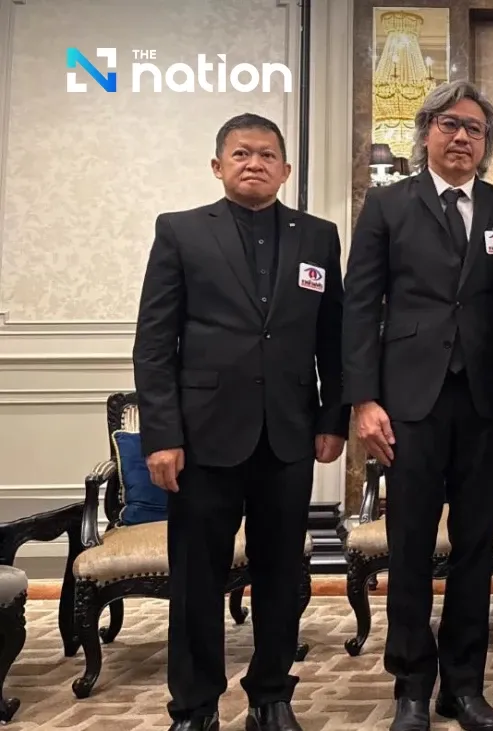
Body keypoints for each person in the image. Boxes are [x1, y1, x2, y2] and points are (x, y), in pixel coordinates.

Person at [132, 113, 349, 731]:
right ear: (217, 165)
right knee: (196, 579)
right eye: (241, 153)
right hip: (202, 438)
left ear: (285, 169)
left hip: (288, 434)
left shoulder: (318, 237)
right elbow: (155, 342)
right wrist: (162, 436)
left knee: (283, 573)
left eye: (267, 155)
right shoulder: (180, 231)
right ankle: (194, 706)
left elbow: (333, 337)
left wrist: (332, 417)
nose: (255, 163)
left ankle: (271, 695)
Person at [342, 80, 493, 731]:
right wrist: (363, 399)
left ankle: (464, 684)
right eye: (450, 124)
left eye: (475, 129)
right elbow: (360, 304)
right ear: (426, 131)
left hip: (487, 403)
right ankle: (411, 686)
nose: (461, 137)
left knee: (477, 546)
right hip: (409, 402)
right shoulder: (387, 205)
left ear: (487, 144)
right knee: (410, 545)